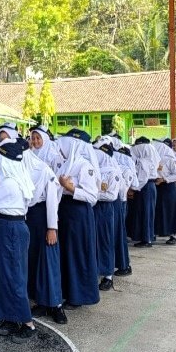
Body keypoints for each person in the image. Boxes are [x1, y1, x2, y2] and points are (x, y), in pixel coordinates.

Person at [0, 138, 37, 344]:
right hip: (10, 227)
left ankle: (27, 323)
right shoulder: (16, 179)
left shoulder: (9, 184)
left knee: (13, 276)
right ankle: (11, 318)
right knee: (5, 274)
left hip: (10, 228)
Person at [55, 129, 100, 308]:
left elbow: (92, 196)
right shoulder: (67, 165)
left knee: (78, 253)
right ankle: (68, 292)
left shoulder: (84, 166)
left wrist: (71, 188)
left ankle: (79, 296)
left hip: (79, 214)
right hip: (67, 211)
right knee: (68, 253)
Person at [23, 142, 66, 324]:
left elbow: (52, 202)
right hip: (29, 219)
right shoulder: (21, 168)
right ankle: (41, 301)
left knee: (49, 261)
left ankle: (56, 305)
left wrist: (51, 228)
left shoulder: (43, 170)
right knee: (34, 261)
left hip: (44, 218)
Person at [93, 139, 120, 291]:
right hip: (94, 209)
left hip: (105, 209)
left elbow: (111, 195)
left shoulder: (113, 172)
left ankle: (108, 275)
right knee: (95, 241)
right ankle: (97, 270)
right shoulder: (96, 170)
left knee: (105, 241)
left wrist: (93, 194)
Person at [130, 137, 159, 247]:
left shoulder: (143, 162)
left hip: (145, 188)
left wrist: (133, 189)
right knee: (146, 212)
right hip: (149, 187)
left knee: (146, 213)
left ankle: (147, 239)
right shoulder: (150, 160)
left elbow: (142, 178)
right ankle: (147, 236)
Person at [112, 144, 136, 277]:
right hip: (118, 202)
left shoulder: (126, 171)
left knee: (119, 234)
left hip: (120, 203)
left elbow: (122, 192)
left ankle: (124, 264)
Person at [152, 139, 176, 244]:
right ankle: (155, 232)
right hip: (157, 187)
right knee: (158, 210)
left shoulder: (170, 159)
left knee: (170, 211)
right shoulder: (154, 159)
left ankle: (172, 235)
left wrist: (164, 179)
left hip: (168, 188)